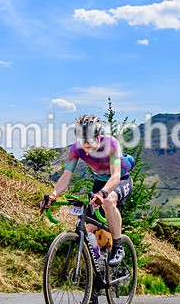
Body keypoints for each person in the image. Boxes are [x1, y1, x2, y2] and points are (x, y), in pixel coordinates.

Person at [43, 114, 133, 267]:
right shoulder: (76, 149)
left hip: (120, 181)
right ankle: (96, 267)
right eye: (81, 139)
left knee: (109, 201)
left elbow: (116, 175)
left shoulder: (110, 143)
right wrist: (53, 195)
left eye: (89, 139)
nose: (85, 144)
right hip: (99, 184)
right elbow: (66, 177)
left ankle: (118, 247)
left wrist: (103, 194)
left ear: (98, 136)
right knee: (86, 229)